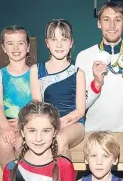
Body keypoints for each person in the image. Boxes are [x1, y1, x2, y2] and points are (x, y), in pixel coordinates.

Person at [76, 2, 123, 132]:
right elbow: (78, 106)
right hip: (92, 133)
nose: (112, 25)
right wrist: (97, 84)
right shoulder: (83, 57)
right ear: (99, 24)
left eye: (117, 20)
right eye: (106, 20)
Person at [30, 19, 85, 157]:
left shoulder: (78, 73)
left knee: (59, 140)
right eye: (54, 39)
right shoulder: (36, 69)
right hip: (46, 122)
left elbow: (80, 111)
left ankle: (62, 179)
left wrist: (58, 124)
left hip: (74, 124)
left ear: (71, 43)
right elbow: (37, 104)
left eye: (64, 39)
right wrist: (48, 125)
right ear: (47, 43)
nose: (59, 45)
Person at [0, 25, 32, 169]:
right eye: (10, 43)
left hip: (30, 125)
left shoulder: (35, 73)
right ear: (3, 48)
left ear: (27, 47)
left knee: (22, 144)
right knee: (4, 143)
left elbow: (39, 104)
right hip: (8, 124)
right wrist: (5, 127)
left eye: (20, 43)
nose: (15, 48)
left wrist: (26, 122)